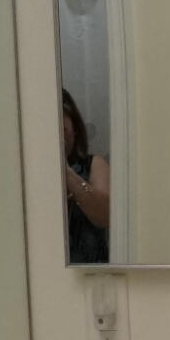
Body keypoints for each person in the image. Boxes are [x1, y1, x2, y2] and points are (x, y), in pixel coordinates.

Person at [62, 91, 111, 264]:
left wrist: (66, 172)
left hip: (90, 275)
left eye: (64, 132)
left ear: (75, 131)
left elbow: (104, 216)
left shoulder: (94, 164)